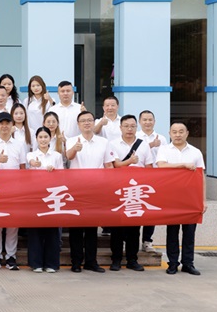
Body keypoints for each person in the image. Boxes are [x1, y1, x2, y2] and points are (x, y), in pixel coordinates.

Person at [65, 111, 113, 273]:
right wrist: (75, 149)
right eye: (83, 121)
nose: (87, 123)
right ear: (78, 124)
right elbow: (68, 157)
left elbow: (108, 165)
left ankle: (91, 261)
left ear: (94, 122)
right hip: (77, 189)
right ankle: (76, 262)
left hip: (96, 189)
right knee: (76, 228)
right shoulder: (72, 140)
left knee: (92, 227)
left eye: (89, 120)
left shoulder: (103, 142)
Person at [157, 122, 206, 276]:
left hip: (191, 198)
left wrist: (203, 200)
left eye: (181, 131)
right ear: (170, 134)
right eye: (174, 132)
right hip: (171, 197)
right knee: (172, 232)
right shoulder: (164, 149)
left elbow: (201, 177)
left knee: (189, 233)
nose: (177, 135)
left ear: (187, 133)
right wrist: (183, 165)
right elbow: (161, 166)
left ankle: (188, 263)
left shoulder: (196, 152)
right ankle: (172, 263)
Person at [106, 114, 152, 272]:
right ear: (120, 128)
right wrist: (130, 162)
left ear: (136, 127)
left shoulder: (144, 145)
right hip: (118, 190)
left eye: (132, 126)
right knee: (117, 228)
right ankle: (116, 259)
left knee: (134, 228)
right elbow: (114, 165)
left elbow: (149, 167)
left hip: (136, 191)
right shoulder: (112, 144)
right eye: (126, 126)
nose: (129, 129)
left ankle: (132, 259)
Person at [0, 112, 25, 270]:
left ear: (12, 125)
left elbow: (23, 167)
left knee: (12, 224)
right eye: (1, 123)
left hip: (14, 189)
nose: (4, 126)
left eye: (7, 123)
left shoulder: (19, 144)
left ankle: (11, 256)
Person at [25, 126, 63, 273]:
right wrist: (35, 164)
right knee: (35, 231)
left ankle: (51, 264)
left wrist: (54, 171)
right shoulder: (31, 155)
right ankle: (36, 264)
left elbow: (62, 175)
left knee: (52, 231)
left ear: (50, 138)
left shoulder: (57, 156)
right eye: (40, 137)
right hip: (35, 195)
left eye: (45, 137)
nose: (43, 140)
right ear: (36, 139)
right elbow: (30, 164)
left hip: (53, 195)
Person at [138, 109, 166, 251]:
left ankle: (147, 241)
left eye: (150, 120)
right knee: (136, 209)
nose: (147, 122)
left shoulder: (162, 138)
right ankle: (131, 240)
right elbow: (135, 154)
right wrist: (150, 145)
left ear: (154, 122)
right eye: (144, 120)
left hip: (155, 178)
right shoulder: (136, 136)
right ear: (140, 121)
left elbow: (166, 157)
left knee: (150, 211)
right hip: (139, 178)